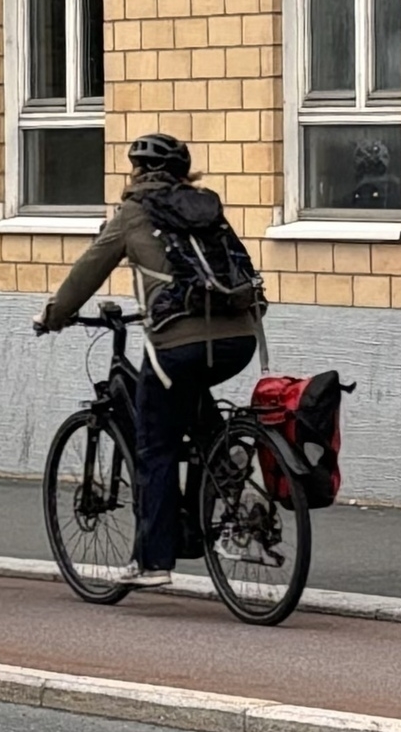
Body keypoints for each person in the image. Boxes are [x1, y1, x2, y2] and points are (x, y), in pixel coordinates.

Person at [36, 133, 261, 591]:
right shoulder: (206, 207)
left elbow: (87, 272)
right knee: (197, 416)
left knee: (154, 446)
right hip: (240, 338)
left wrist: (53, 316)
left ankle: (153, 561)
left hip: (177, 344)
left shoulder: (133, 214)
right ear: (184, 174)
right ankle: (223, 464)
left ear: (136, 173)